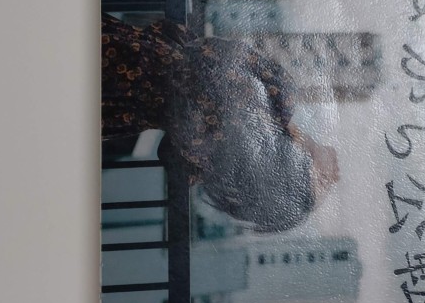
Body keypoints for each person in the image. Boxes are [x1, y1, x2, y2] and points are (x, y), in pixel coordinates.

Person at [102, 13, 340, 233]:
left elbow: (216, 51)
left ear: (300, 162)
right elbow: (168, 155)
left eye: (323, 180)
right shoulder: (221, 165)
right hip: (121, 112)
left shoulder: (281, 99)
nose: (336, 176)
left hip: (133, 53)